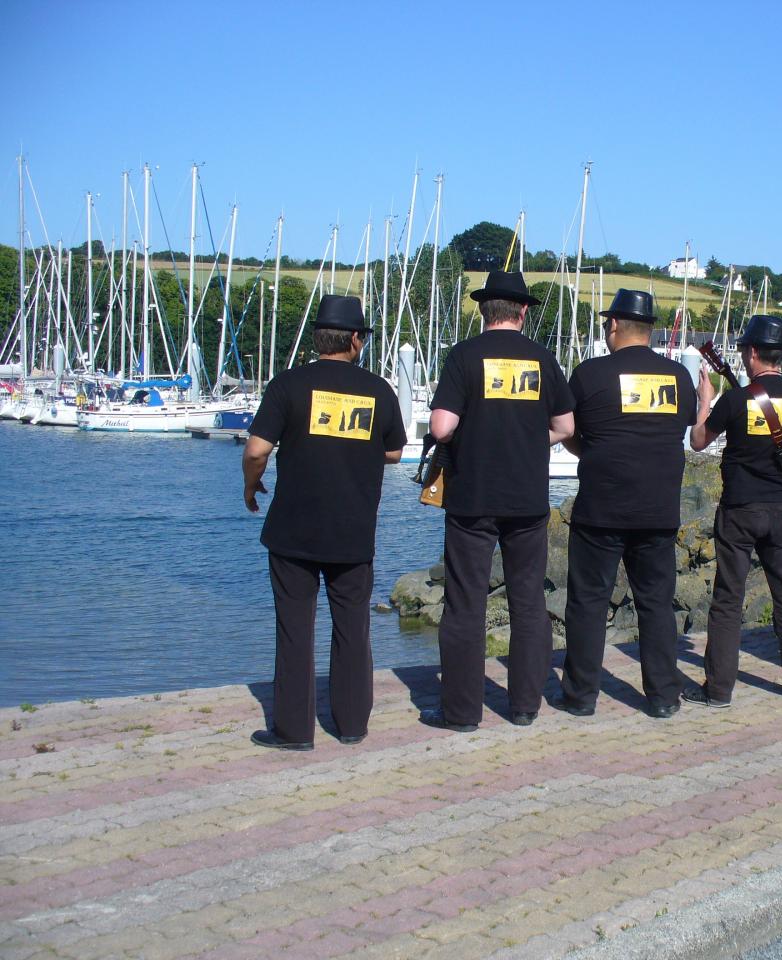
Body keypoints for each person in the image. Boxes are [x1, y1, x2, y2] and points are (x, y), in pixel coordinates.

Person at [242, 294, 407, 750]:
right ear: (355, 339)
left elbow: (257, 450)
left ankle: (294, 730)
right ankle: (352, 723)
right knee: (353, 627)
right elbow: (394, 450)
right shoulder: (377, 391)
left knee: (295, 627)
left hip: (293, 529)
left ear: (319, 337)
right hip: (352, 529)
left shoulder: (287, 385)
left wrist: (250, 486)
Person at [425, 271, 575, 732]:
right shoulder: (543, 359)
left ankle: (462, 712)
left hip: (472, 498)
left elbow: (441, 427)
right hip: (527, 500)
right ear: (523, 311)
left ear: (484, 309)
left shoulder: (465, 356)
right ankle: (526, 705)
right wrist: (531, 441)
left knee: (464, 603)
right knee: (528, 601)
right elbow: (567, 427)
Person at [554, 290, 697, 720]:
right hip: (658, 509)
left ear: (614, 325)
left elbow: (571, 433)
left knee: (588, 603)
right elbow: (682, 428)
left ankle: (580, 697)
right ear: (649, 328)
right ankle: (663, 696)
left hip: (601, 506)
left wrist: (597, 450)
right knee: (656, 603)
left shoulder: (589, 374)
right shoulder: (678, 377)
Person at [682, 314, 782, 707]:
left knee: (728, 599)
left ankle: (718, 690)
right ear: (781, 354)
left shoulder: (735, 399)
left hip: (739, 509)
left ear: (753, 352)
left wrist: (704, 403)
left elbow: (699, 441)